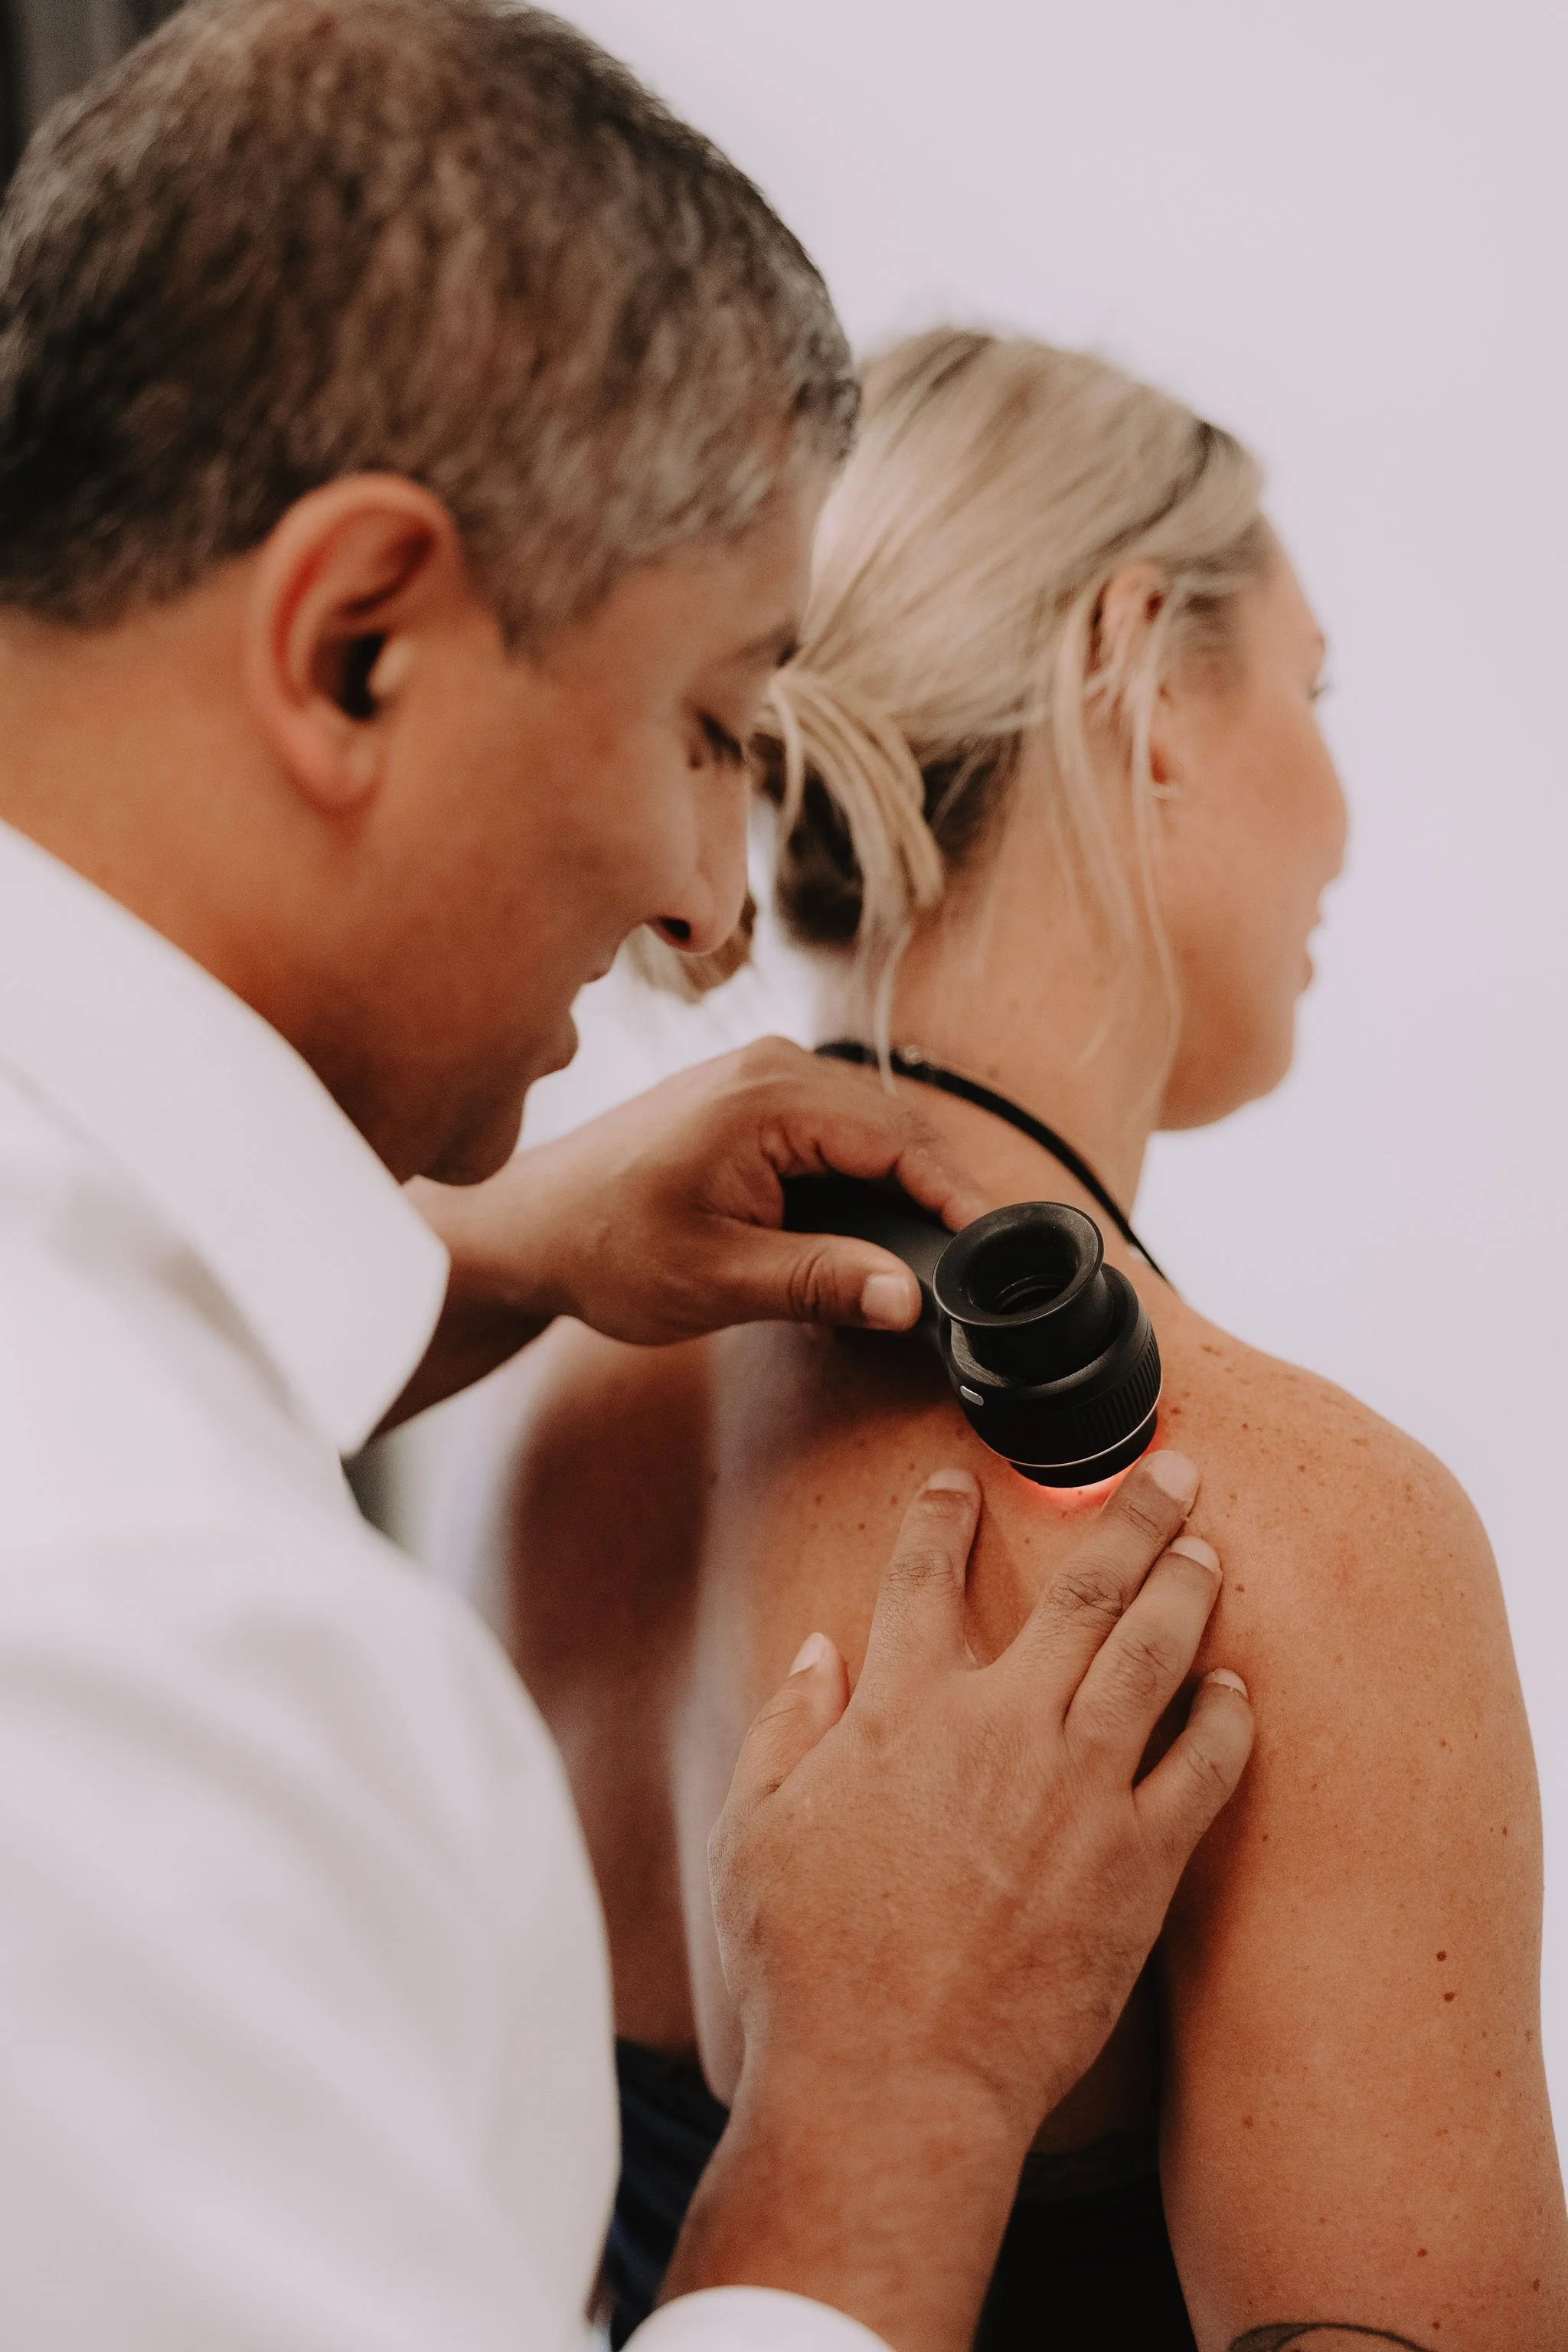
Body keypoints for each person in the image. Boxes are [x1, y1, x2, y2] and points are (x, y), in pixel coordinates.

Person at [0, 12, 1261, 2352]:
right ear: (355, 641)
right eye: (702, 725)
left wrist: (473, 1254)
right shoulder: (117, 1649)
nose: (711, 907)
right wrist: (892, 2105)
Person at [495, 332, 1568, 2350]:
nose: (1339, 813)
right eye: (1311, 690)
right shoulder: (1297, 1536)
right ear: (1140, 672)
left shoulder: (571, 1406)